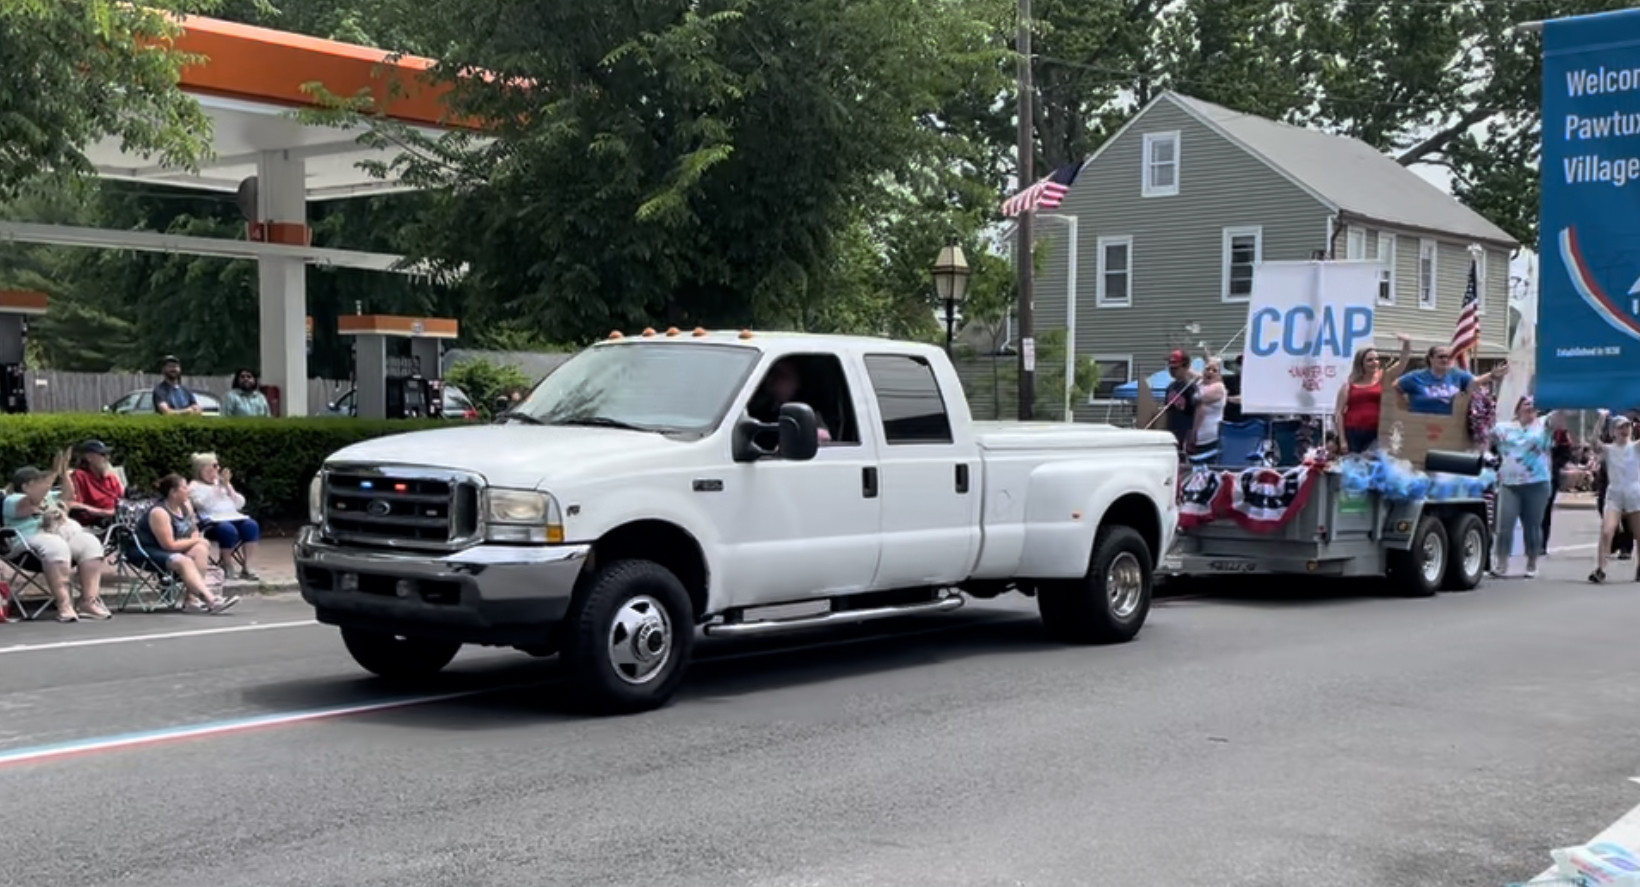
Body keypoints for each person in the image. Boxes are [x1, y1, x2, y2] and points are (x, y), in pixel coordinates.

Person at [3, 451, 111, 621]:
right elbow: (34, 502)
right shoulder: (13, 500)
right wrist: (53, 473)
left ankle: (88, 601)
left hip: (58, 536)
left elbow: (68, 495)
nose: (45, 484)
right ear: (26, 486)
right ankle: (64, 604)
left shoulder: (48, 495)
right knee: (55, 545)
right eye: (39, 481)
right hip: (28, 543)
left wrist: (64, 472)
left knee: (89, 543)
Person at [128, 474, 238, 613]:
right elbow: (168, 545)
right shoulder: (160, 512)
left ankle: (191, 600)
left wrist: (197, 541)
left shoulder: (185, 506)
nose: (188, 491)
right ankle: (211, 600)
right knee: (185, 560)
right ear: (173, 492)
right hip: (148, 551)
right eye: (184, 488)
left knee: (201, 549)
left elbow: (193, 530)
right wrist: (197, 540)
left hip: (172, 548)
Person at [1489, 396, 1554, 579]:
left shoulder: (1543, 425)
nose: (1530, 407)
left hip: (1537, 483)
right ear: (1518, 409)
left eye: (1534, 404)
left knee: (1532, 526)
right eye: (1526, 404)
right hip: (1509, 483)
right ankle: (1501, 563)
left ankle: (1532, 562)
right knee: (1504, 525)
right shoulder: (1504, 428)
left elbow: (1560, 414)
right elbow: (1483, 437)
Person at [1335, 333, 1413, 454]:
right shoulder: (1349, 384)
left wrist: (1407, 343)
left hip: (1378, 430)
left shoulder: (1384, 378)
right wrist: (1342, 440)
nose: (1374, 362)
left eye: (1376, 359)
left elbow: (1402, 363)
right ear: (1361, 363)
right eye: (1369, 360)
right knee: (1355, 467)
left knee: (1375, 465)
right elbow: (1339, 413)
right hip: (1353, 431)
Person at [188, 452, 260, 580]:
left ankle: (247, 566)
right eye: (211, 468)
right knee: (228, 530)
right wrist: (217, 488)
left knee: (251, 526)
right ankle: (227, 564)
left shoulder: (221, 483)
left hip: (232, 516)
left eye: (216, 467)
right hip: (211, 522)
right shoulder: (194, 486)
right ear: (201, 470)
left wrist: (227, 487)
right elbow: (204, 505)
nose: (215, 471)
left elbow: (240, 503)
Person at [1591, 414, 1640, 584]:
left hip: (1635, 494)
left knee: (1638, 533)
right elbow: (1594, 442)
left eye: (1627, 427)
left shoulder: (1635, 447)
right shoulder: (1609, 450)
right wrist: (1601, 419)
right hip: (1615, 495)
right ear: (1613, 431)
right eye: (1620, 427)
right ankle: (1601, 569)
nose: (1624, 430)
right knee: (1607, 531)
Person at [1393, 346, 1508, 415]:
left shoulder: (1457, 375)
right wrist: (1404, 407)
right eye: (1441, 356)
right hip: (1420, 424)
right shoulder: (1415, 376)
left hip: (1450, 426)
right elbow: (1394, 387)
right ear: (1430, 359)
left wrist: (1492, 376)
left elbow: (1475, 382)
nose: (1445, 359)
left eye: (1449, 357)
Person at [68, 439, 124, 528]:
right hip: (99, 525)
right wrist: (104, 512)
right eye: (103, 454)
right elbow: (72, 505)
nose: (107, 458)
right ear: (89, 457)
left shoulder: (111, 478)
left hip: (120, 520)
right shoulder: (80, 476)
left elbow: (124, 500)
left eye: (108, 454)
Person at [1543, 426, 1575, 554]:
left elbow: (1566, 454)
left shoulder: (1560, 431)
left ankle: (1541, 544)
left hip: (1550, 475)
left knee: (1545, 510)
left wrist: (1553, 464)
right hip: (1527, 475)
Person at [1161, 349, 1199, 457]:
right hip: (1172, 429)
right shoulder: (1170, 387)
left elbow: (1195, 411)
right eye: (1170, 368)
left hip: (1186, 430)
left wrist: (1192, 433)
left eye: (1175, 368)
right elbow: (1167, 411)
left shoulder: (1190, 387)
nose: (1172, 371)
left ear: (1185, 366)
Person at [1189, 359, 1226, 465]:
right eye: (1207, 369)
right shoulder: (1201, 383)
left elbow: (1199, 400)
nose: (1210, 372)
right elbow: (1190, 372)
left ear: (1219, 376)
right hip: (1198, 438)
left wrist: (1194, 432)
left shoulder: (1218, 387)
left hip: (1211, 437)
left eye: (1214, 371)